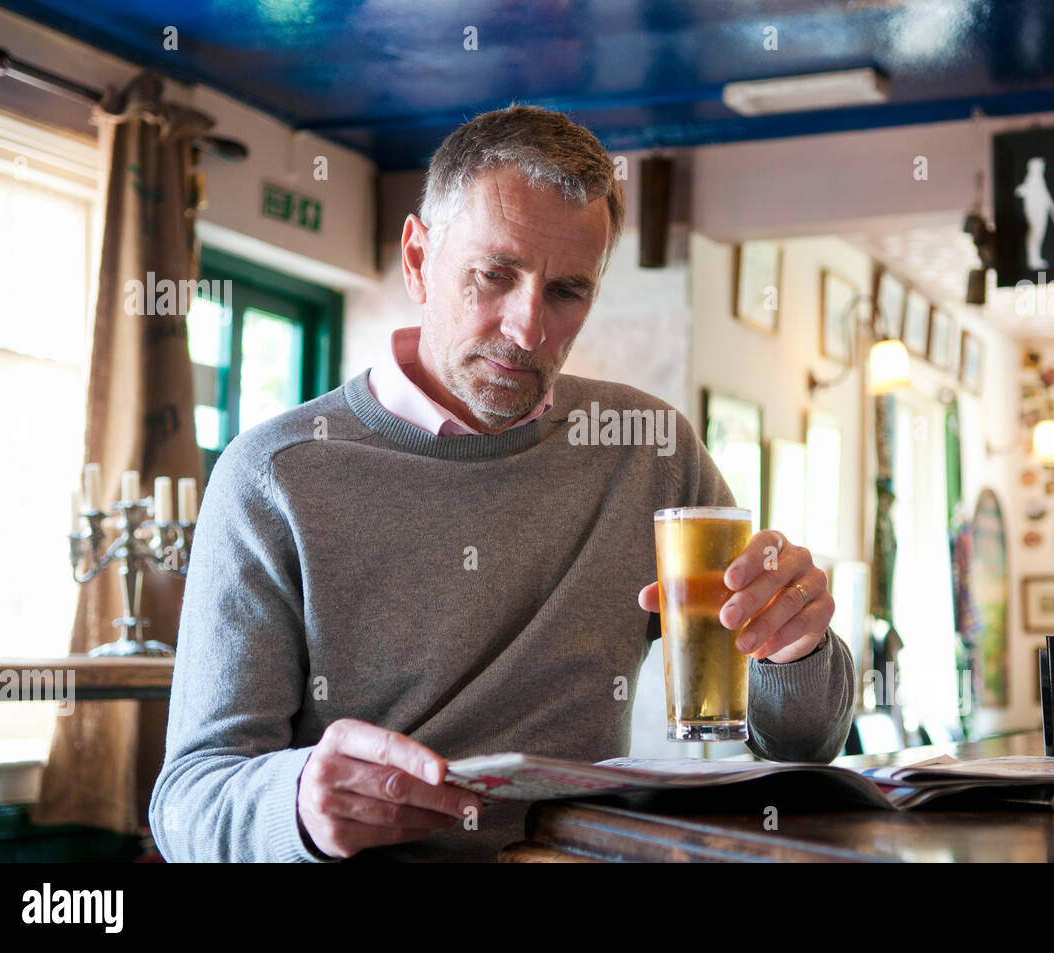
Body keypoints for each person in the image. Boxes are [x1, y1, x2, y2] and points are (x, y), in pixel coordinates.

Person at [150, 105, 855, 863]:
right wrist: (296, 804)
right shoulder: (271, 477)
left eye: (567, 291)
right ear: (418, 260)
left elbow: (803, 742)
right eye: (494, 275)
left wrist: (798, 649)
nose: (528, 330)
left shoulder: (649, 448)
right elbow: (189, 801)